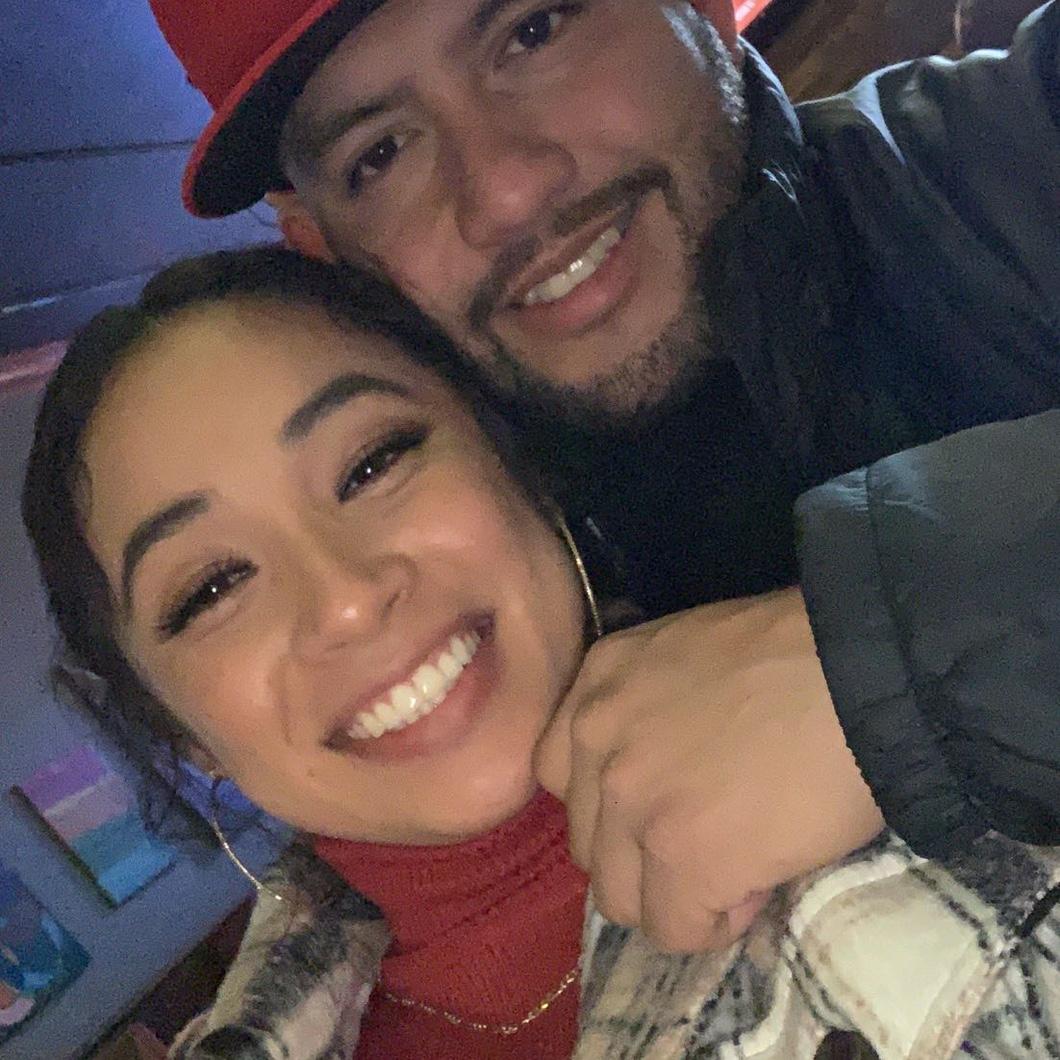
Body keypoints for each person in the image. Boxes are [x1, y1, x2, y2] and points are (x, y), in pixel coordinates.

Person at [147, 0, 1060, 951]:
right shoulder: (476, 584)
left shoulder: (1026, 135)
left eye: (534, 31)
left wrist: (888, 670)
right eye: (379, 156)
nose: (504, 194)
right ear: (326, 249)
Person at [22, 246, 1060, 1060]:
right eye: (211, 588)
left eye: (373, 462)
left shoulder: (959, 767)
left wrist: (904, 679)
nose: (345, 598)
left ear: (513, 457)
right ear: (178, 733)